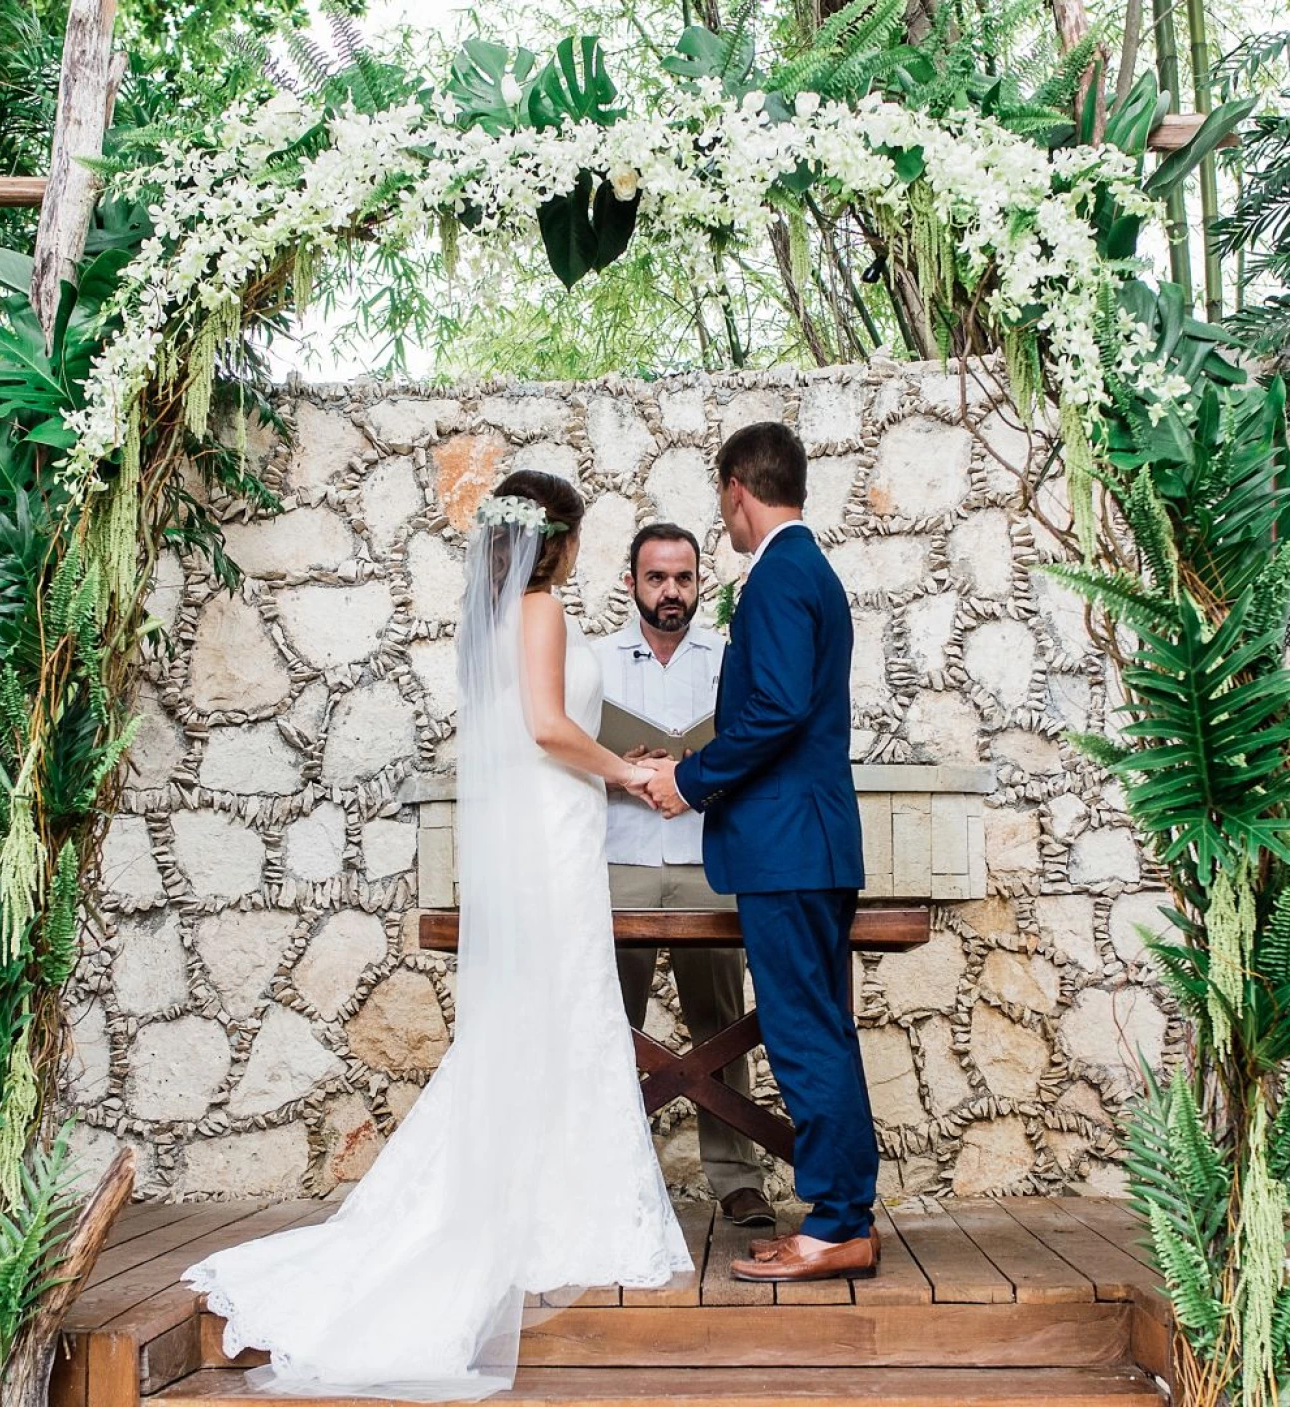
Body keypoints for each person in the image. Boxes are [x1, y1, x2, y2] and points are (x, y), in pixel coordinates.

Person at [186, 469, 689, 1398]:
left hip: (546, 829)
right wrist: (626, 771)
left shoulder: (489, 621)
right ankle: (553, 1215)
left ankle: (548, 1204)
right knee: (557, 1016)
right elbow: (546, 726)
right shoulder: (537, 610)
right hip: (555, 828)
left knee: (546, 1022)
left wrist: (615, 769)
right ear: (562, 544)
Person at [641, 421, 879, 1285]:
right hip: (808, 844)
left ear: (739, 486)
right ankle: (840, 1214)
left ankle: (838, 1224)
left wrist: (690, 780)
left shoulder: (778, 574)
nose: (724, 516)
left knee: (804, 1031)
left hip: (788, 848)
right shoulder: (810, 569)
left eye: (721, 498)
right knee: (820, 1029)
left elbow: (774, 710)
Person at [600, 523, 773, 1232]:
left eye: (683, 578)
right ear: (631, 582)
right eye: (657, 578)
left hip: (710, 859)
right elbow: (561, 753)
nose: (671, 592)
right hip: (621, 860)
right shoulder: (594, 662)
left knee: (723, 1024)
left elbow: (753, 750)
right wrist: (622, 766)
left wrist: (696, 770)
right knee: (610, 1026)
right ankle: (609, 1181)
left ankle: (738, 1179)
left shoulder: (730, 659)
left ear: (701, 582)